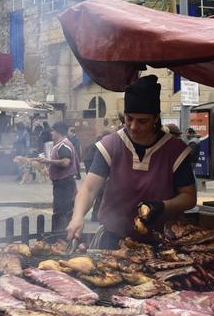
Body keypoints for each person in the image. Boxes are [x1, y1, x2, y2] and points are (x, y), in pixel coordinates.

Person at [66, 75, 197, 249]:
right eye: (129, 119)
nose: (134, 126)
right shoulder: (111, 145)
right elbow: (89, 189)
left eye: (142, 121)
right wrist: (77, 217)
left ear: (155, 118)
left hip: (161, 243)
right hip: (113, 241)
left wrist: (162, 206)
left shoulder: (174, 150)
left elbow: (189, 197)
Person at [40, 122, 80, 232]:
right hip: (61, 184)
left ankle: (60, 237)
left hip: (64, 184)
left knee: (62, 212)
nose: (51, 133)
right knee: (61, 211)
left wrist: (48, 161)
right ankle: (60, 236)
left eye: (53, 131)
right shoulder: (61, 144)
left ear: (58, 132)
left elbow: (66, 162)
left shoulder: (64, 145)